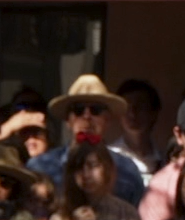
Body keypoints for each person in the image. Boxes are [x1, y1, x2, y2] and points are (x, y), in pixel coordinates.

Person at [26, 75, 147, 207]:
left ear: (107, 119)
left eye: (96, 110)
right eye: (79, 110)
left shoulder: (127, 170)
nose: (87, 116)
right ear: (68, 120)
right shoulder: (40, 167)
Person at [54, 142, 140, 220]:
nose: (86, 174)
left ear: (107, 168)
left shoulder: (127, 215)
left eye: (93, 166)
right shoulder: (60, 217)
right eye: (79, 167)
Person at [114, 79, 163, 179]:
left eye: (140, 107)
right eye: (127, 107)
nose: (132, 114)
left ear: (154, 113)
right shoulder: (110, 157)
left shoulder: (165, 161)